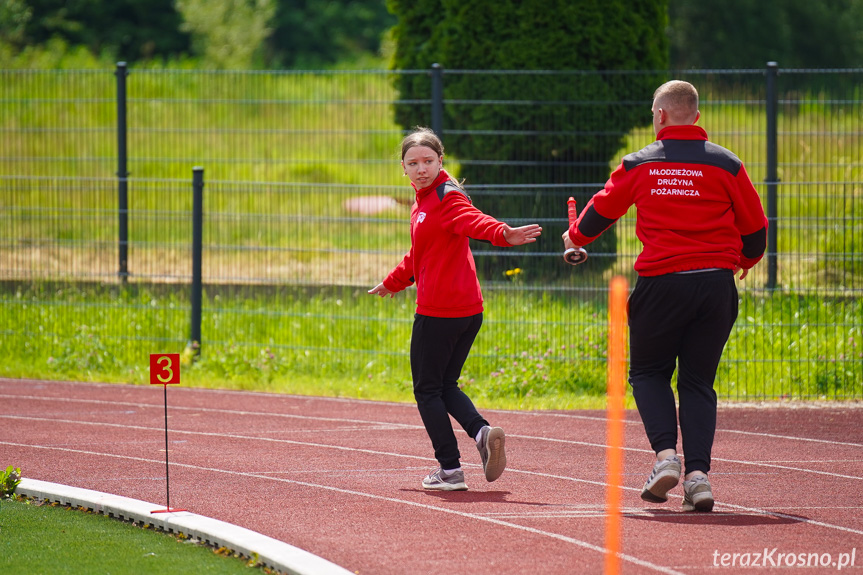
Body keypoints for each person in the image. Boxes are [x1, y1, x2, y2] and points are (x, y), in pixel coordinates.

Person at [562, 81, 767, 512]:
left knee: (649, 372)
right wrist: (743, 262)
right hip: (715, 284)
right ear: (695, 115)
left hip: (662, 283)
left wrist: (576, 236)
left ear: (659, 116)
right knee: (697, 382)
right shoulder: (728, 165)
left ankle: (665, 458)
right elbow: (756, 229)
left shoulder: (638, 164)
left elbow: (602, 209)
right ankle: (698, 478)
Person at [370, 127, 542, 491]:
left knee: (426, 390)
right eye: (413, 163)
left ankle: (449, 470)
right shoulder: (422, 202)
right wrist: (393, 282)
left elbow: (472, 220)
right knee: (445, 384)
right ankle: (482, 434)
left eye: (428, 161)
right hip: (467, 311)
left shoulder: (447, 197)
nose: (421, 169)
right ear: (402, 167)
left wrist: (503, 233)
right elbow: (418, 257)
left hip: (440, 312)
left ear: (440, 161)